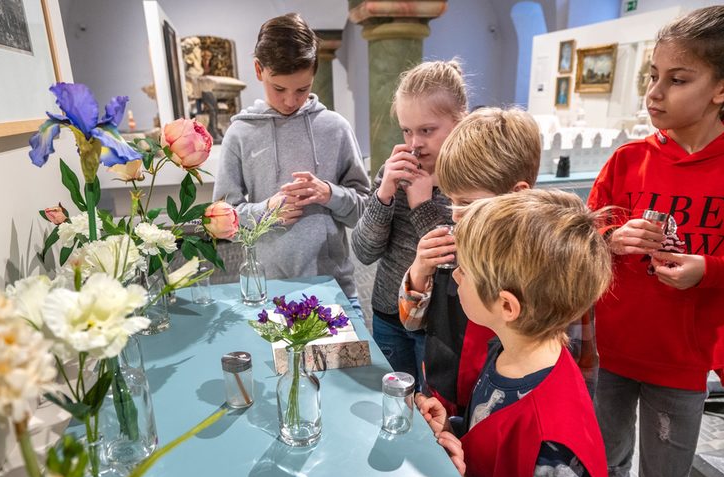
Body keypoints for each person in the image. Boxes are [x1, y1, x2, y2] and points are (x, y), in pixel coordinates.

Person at [587, 6, 724, 477]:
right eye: (653, 76)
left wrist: (711, 271)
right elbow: (579, 242)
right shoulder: (628, 161)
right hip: (612, 351)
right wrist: (610, 240)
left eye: (677, 79)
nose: (655, 92)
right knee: (603, 475)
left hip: (682, 362)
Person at [417, 190, 612, 477]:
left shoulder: (552, 432)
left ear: (507, 305)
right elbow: (497, 432)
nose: (456, 276)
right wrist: (453, 429)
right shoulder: (507, 353)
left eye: (466, 270)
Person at [398, 108, 599, 417]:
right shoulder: (448, 244)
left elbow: (578, 365)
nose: (454, 215)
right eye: (451, 200)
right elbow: (411, 321)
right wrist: (419, 269)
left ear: (517, 194)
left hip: (510, 412)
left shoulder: (554, 264)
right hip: (443, 399)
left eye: (467, 203)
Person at [213, 13, 370, 314]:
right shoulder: (240, 135)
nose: (290, 101)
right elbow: (222, 221)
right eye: (279, 89)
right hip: (269, 295)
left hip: (336, 291)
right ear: (259, 70)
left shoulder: (336, 128)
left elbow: (364, 214)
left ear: (314, 73)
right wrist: (267, 212)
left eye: (302, 89)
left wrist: (329, 193)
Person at [351, 60, 467, 382]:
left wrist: (421, 205)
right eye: (406, 130)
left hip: (439, 325)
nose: (414, 143)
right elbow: (363, 251)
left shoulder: (469, 181)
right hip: (389, 314)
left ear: (460, 120)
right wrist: (384, 194)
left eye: (427, 130)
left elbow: (455, 259)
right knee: (394, 404)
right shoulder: (395, 171)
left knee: (434, 409)